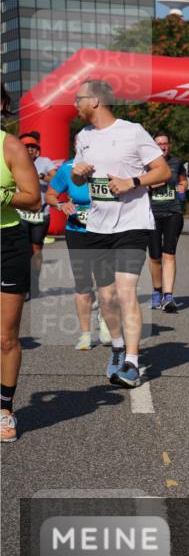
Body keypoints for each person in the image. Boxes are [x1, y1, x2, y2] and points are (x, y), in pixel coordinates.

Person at [70, 79, 170, 388]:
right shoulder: (83, 137)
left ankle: (132, 361)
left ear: (95, 101)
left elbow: (163, 171)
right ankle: (116, 347)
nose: (75, 104)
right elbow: (77, 179)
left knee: (126, 292)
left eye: (79, 98)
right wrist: (78, 173)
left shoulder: (132, 131)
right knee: (107, 296)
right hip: (98, 226)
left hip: (131, 224)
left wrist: (133, 182)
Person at [1, 86, 42, 441]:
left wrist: (3, 196)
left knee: (5, 337)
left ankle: (4, 410)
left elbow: (33, 198)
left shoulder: (11, 146)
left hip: (7, 244)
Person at [46, 155, 99, 350]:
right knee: (83, 282)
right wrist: (61, 205)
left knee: (106, 280)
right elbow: (50, 195)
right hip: (77, 231)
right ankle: (85, 335)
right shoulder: (67, 167)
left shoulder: (108, 162)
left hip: (105, 231)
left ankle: (105, 320)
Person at [147, 132, 187, 313]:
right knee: (155, 257)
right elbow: (139, 185)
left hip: (173, 212)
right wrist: (154, 183)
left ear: (169, 145)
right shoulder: (146, 164)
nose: (162, 146)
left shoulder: (176, 163)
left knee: (169, 254)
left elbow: (183, 181)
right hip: (152, 214)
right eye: (159, 143)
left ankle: (168, 296)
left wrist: (183, 187)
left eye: (165, 143)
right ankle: (157, 291)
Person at [18, 131, 56, 297]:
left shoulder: (45, 162)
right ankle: (22, 285)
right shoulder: (15, 161)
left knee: (36, 250)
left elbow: (57, 180)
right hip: (20, 213)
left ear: (37, 149)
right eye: (26, 146)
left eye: (33, 147)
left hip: (41, 213)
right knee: (22, 249)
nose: (30, 149)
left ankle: (34, 285)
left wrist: (40, 176)